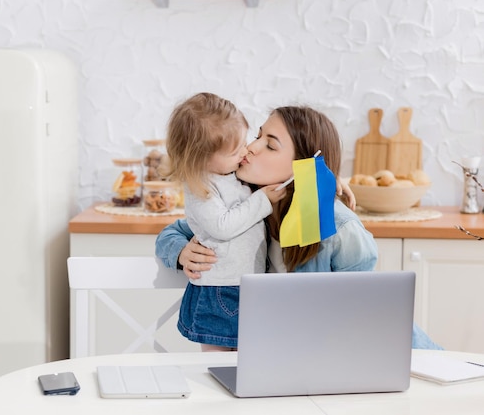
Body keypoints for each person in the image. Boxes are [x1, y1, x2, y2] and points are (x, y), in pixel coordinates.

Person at [156, 105, 443, 351]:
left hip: (380, 356)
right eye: (258, 135)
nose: (251, 148)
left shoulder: (339, 227)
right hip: (284, 354)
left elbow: (365, 311)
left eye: (270, 145)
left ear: (302, 165)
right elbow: (175, 231)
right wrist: (181, 252)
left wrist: (322, 185)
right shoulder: (249, 203)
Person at [162, 92, 284, 352]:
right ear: (202, 159)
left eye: (245, 141)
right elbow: (222, 226)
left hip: (248, 287)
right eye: (234, 151)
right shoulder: (201, 187)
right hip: (219, 291)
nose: (246, 151)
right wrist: (262, 200)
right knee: (214, 367)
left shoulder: (235, 175)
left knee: (244, 365)